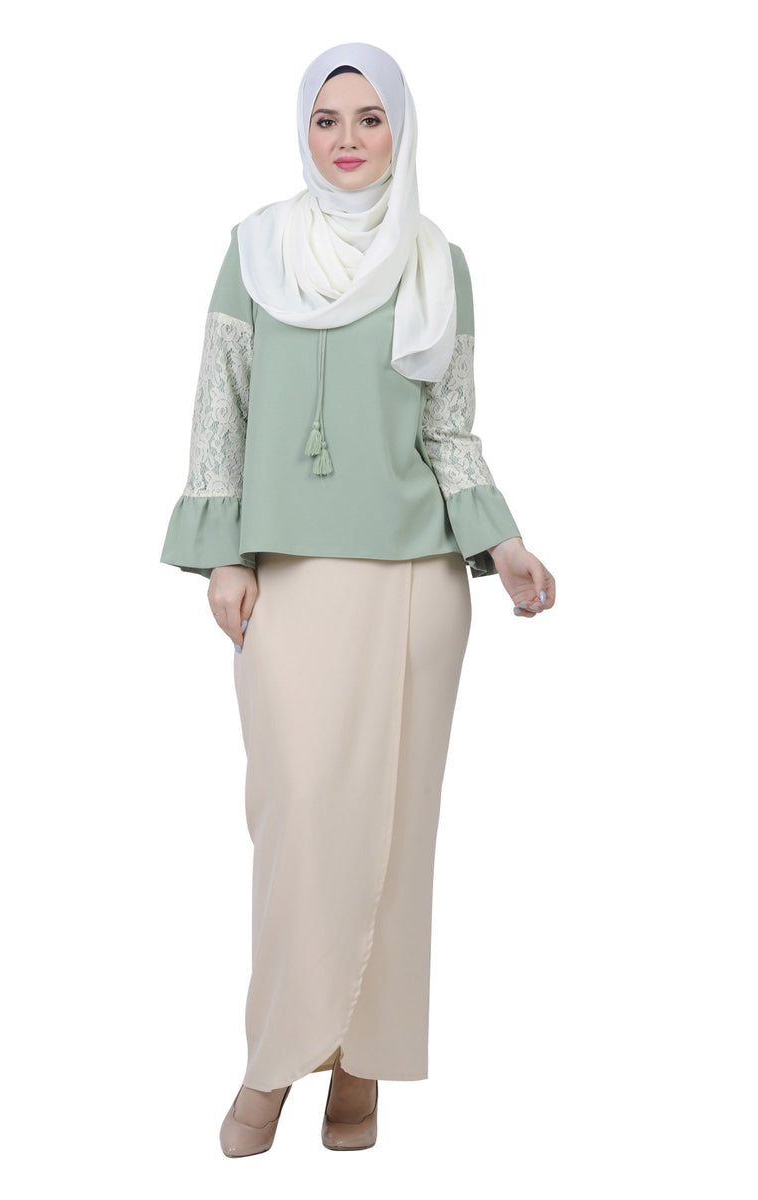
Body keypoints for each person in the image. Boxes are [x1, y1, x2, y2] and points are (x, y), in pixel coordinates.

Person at [159, 41, 556, 1158]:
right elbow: (220, 408)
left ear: (399, 131)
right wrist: (225, 556)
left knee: (393, 830)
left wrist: (503, 541)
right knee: (297, 820)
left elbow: (448, 428)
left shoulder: (437, 260)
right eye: (327, 118)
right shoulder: (255, 249)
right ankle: (274, 1057)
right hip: (288, 575)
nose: (347, 139)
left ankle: (361, 1064)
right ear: (303, 130)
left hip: (416, 583)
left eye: (369, 118)